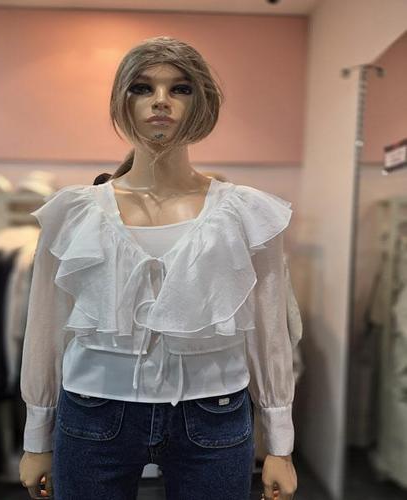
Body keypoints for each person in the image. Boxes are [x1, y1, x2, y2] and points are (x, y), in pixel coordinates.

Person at [19, 36, 298, 500]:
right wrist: (37, 435)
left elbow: (270, 328)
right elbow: (45, 324)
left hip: (214, 411)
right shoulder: (73, 212)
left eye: (180, 88)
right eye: (143, 88)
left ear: (201, 102)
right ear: (122, 99)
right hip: (93, 410)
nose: (161, 101)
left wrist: (280, 441)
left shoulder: (245, 212)